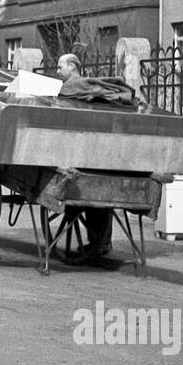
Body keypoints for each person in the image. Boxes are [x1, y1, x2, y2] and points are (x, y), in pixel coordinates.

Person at [54, 53, 114, 264]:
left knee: (91, 194)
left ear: (72, 66)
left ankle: (100, 242)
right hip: (99, 152)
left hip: (76, 149)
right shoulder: (90, 86)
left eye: (60, 67)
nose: (57, 71)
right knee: (104, 198)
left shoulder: (70, 88)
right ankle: (102, 242)